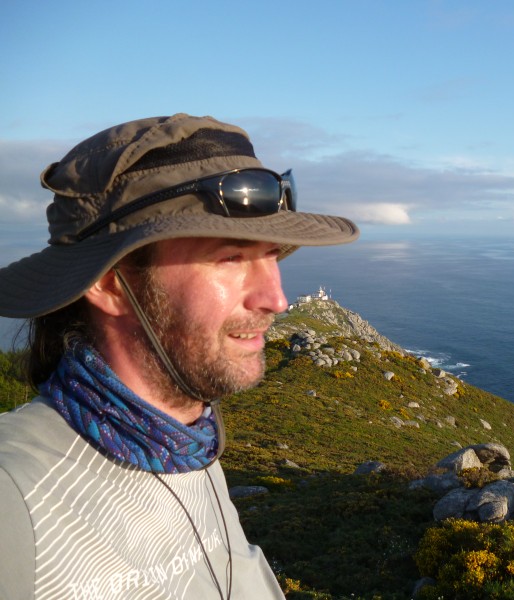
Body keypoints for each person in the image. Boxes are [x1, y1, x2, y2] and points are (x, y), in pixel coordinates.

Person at [0, 114, 359, 599]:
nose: (276, 299)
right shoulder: (16, 497)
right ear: (110, 284)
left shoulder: (190, 446)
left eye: (272, 255)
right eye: (230, 258)